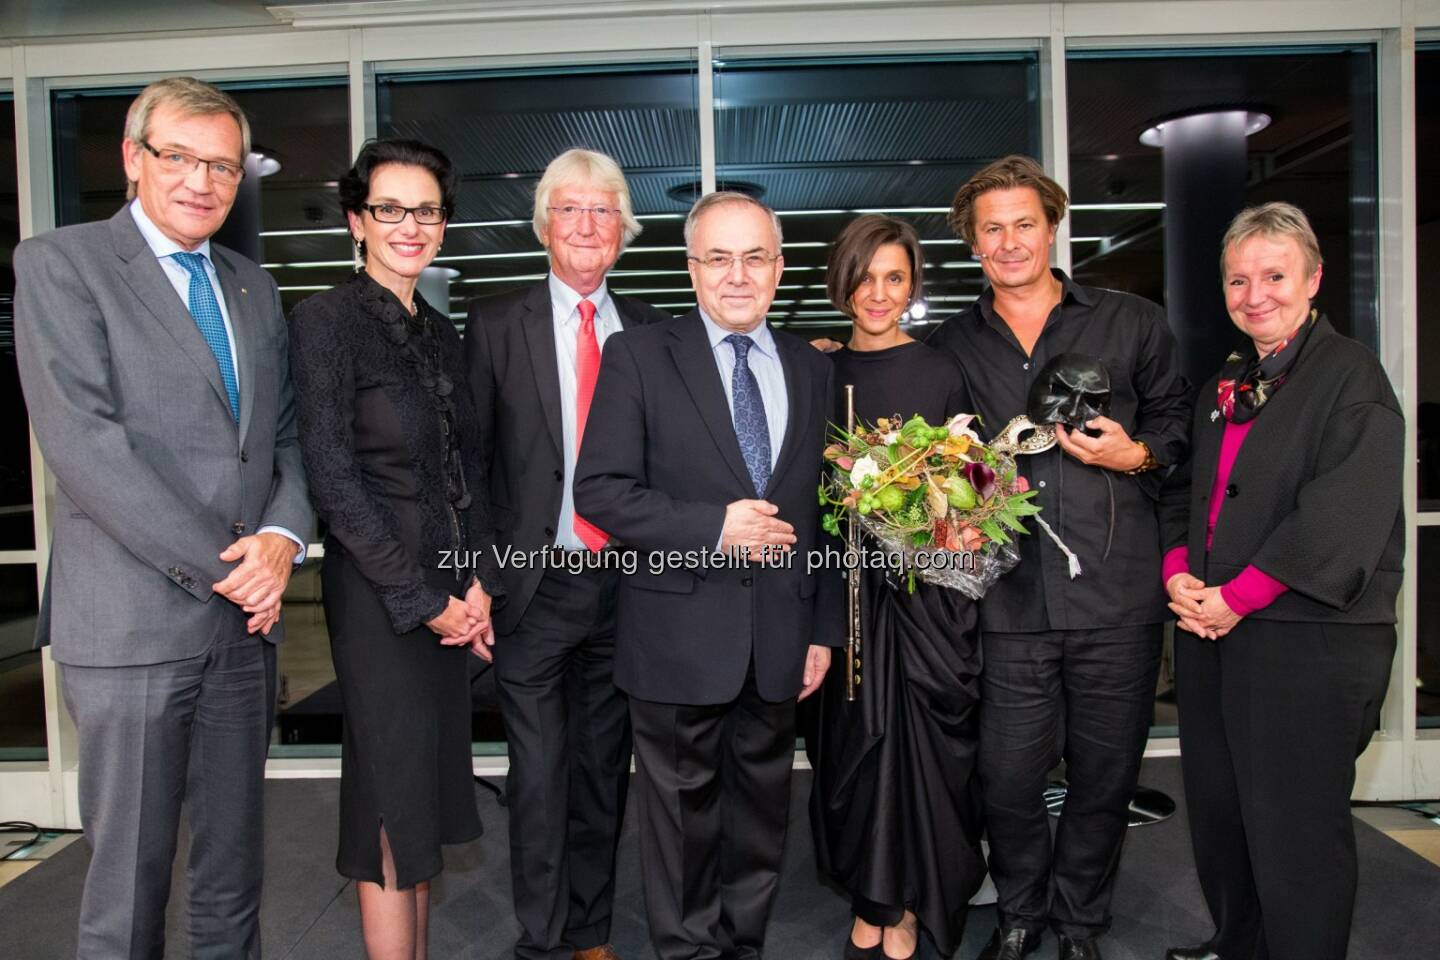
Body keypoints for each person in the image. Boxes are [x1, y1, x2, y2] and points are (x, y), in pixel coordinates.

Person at [13, 76, 311, 958]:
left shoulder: (252, 288)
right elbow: (88, 450)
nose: (203, 181)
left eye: (223, 165)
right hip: (132, 627)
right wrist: (236, 569)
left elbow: (285, 439)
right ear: (132, 160)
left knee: (232, 873)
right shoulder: (61, 264)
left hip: (241, 638)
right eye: (179, 157)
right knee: (127, 885)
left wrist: (284, 539)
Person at [925, 155, 1191, 960]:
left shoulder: (1131, 323)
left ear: (1053, 225)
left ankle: (1079, 924)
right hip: (1005, 602)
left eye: (1024, 224)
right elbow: (934, 468)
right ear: (973, 243)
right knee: (1005, 779)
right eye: (992, 229)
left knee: (1105, 779)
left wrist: (1133, 456)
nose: (1010, 243)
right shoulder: (950, 345)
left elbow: (1181, 434)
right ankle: (1019, 911)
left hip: (1118, 597)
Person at [574, 191, 842, 960]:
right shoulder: (640, 355)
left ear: (779, 268)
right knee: (682, 825)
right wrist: (712, 526)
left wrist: (822, 630)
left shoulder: (809, 368)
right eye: (718, 257)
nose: (736, 275)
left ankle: (742, 948)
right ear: (691, 269)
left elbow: (827, 514)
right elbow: (601, 490)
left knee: (760, 818)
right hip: (676, 637)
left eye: (754, 257)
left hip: (782, 639)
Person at [1159, 202, 1403, 960]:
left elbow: (1339, 512)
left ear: (1314, 278)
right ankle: (1241, 942)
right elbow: (1184, 495)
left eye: (1273, 275)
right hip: (1213, 633)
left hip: (1308, 641)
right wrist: (1179, 579)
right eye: (1238, 279)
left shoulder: (1349, 375)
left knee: (1296, 831)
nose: (1254, 293)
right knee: (1224, 816)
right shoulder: (1227, 385)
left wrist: (1235, 597)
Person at [288, 138, 505, 960]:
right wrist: (422, 600)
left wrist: (481, 583)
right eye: (390, 209)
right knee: (388, 799)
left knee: (420, 800)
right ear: (357, 220)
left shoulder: (444, 337)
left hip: (451, 597)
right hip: (384, 603)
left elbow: (470, 475)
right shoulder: (326, 321)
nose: (409, 225)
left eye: (426, 210)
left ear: (443, 225)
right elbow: (333, 481)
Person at [465, 148, 669, 960]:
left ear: (624, 230)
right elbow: (471, 469)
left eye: (604, 210)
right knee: (540, 776)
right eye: (571, 209)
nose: (588, 225)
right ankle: (542, 941)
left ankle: (588, 931)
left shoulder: (654, 334)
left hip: (629, 594)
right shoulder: (492, 326)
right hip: (533, 591)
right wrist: (479, 580)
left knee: (601, 775)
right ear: (545, 224)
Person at [808, 215, 986, 960]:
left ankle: (906, 901)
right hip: (841, 594)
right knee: (853, 752)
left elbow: (973, 488)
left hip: (923, 599)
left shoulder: (942, 371)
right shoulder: (813, 369)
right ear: (841, 283)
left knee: (919, 754)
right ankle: (869, 895)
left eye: (894, 277)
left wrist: (949, 523)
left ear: (913, 285)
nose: (877, 294)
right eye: (864, 276)